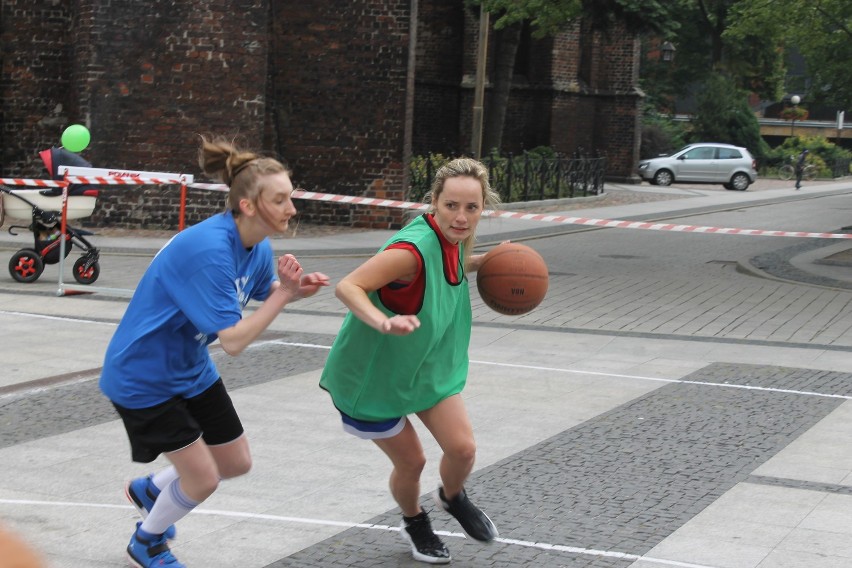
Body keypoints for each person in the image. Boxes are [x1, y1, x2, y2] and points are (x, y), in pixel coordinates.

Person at [99, 135, 330, 568]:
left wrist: (292, 289)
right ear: (248, 205)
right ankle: (146, 544)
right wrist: (284, 298)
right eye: (280, 200)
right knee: (203, 479)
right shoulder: (210, 250)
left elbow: (265, 293)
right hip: (144, 377)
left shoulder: (255, 244)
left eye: (290, 197)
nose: (292, 208)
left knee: (235, 461)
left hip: (189, 367)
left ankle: (152, 491)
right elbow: (235, 341)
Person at [320, 157, 501, 564]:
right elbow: (349, 286)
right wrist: (383, 321)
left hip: (424, 368)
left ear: (482, 208)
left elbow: (449, 264)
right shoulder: (411, 251)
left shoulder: (453, 243)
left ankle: (452, 497)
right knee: (414, 461)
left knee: (463, 450)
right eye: (451, 205)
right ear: (433, 202)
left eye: (471, 208)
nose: (460, 216)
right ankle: (415, 521)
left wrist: (486, 262)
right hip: (374, 380)